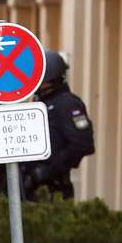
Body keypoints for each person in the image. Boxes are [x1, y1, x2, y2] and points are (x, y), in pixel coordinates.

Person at [23, 50, 95, 199]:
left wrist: (50, 170)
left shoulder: (67, 104)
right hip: (30, 187)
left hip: (53, 189)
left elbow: (82, 144)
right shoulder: (39, 104)